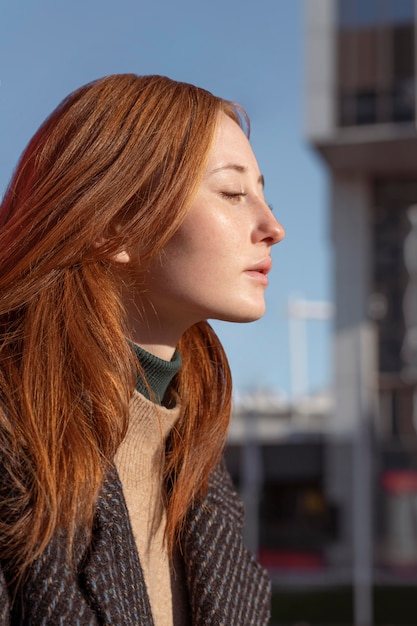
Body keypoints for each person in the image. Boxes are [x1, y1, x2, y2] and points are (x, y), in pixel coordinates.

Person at [0, 74, 285, 625]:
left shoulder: (200, 469)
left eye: (264, 193)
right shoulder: (17, 449)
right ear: (114, 225)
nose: (273, 226)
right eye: (233, 193)